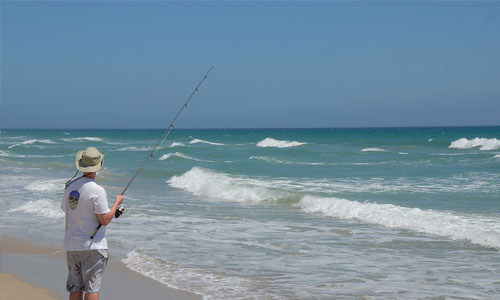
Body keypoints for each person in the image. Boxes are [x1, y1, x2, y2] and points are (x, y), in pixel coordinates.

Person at [61, 147, 124, 300]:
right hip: (93, 246)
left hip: (72, 245)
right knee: (91, 288)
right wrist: (117, 203)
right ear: (99, 165)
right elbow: (104, 220)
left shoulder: (70, 187)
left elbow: (67, 209)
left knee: (75, 287)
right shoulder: (97, 190)